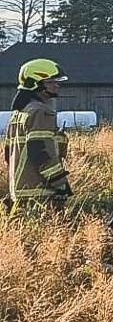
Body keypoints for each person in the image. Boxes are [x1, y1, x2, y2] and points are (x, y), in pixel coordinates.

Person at [5, 58, 74, 209]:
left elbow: (7, 154)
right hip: (40, 192)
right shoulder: (39, 111)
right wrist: (59, 182)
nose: (57, 85)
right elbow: (40, 151)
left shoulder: (17, 114)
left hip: (19, 191)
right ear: (36, 84)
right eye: (51, 82)